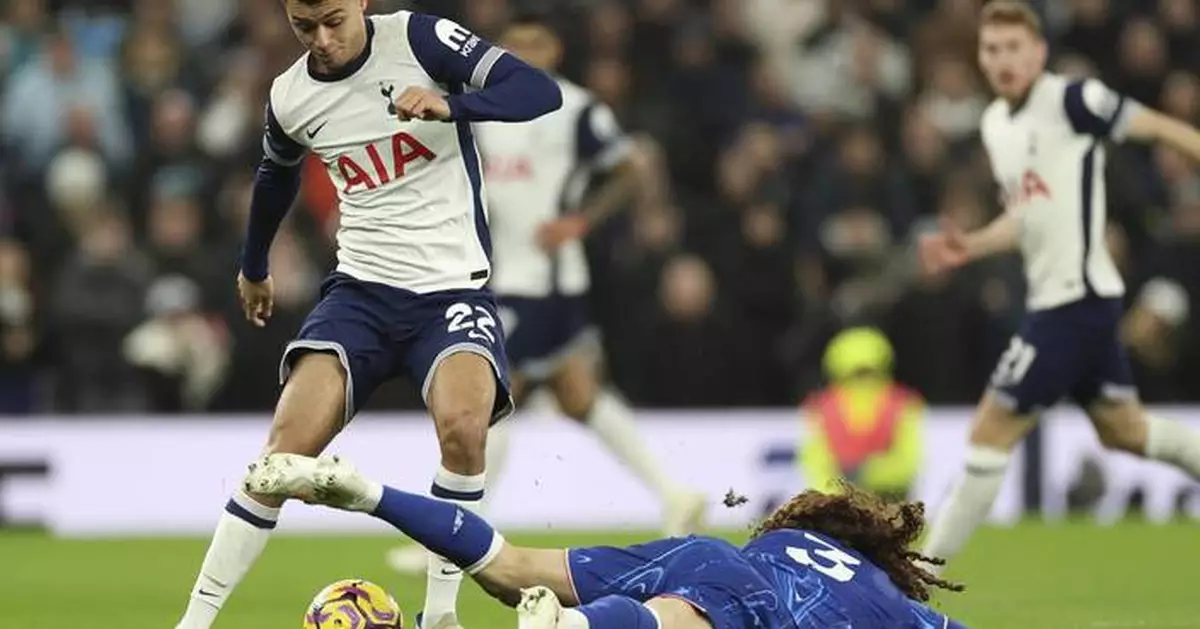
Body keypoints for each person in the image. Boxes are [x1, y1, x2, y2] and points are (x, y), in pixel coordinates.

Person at [172, 2, 562, 628]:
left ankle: (439, 616)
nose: (322, 40)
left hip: (452, 293)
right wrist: (253, 266)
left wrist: (452, 105)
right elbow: (276, 175)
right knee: (281, 456)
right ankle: (194, 621)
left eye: (333, 20)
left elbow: (536, 91)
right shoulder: (291, 95)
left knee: (465, 430)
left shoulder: (420, 38)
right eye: (305, 28)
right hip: (362, 296)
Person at [385, 11, 704, 578]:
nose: (526, 52)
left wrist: (581, 221)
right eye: (516, 44)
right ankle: (676, 493)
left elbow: (631, 168)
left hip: (543, 280)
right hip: (502, 273)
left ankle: (453, 533)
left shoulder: (575, 106)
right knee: (579, 395)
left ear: (555, 51)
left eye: (537, 43)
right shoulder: (484, 104)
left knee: (485, 397)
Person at [918, 0, 1200, 574]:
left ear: (1039, 52)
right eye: (992, 49)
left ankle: (919, 575)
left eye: (1014, 48)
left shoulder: (1075, 100)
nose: (1003, 59)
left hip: (1076, 303)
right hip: (1070, 302)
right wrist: (971, 244)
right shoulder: (997, 125)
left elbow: (1161, 127)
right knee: (1127, 432)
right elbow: (1026, 218)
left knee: (990, 426)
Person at [246, 452, 971, 629]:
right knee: (683, 618)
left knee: (510, 567)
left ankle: (363, 490)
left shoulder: (791, 544)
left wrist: (371, 499)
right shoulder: (901, 609)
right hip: (753, 602)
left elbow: (508, 566)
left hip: (704, 553)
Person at [801, 327, 923, 503]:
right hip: (864, 501)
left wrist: (857, 478)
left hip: (882, 500)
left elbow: (908, 462)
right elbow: (814, 460)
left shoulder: (820, 406)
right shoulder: (904, 403)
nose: (863, 380)